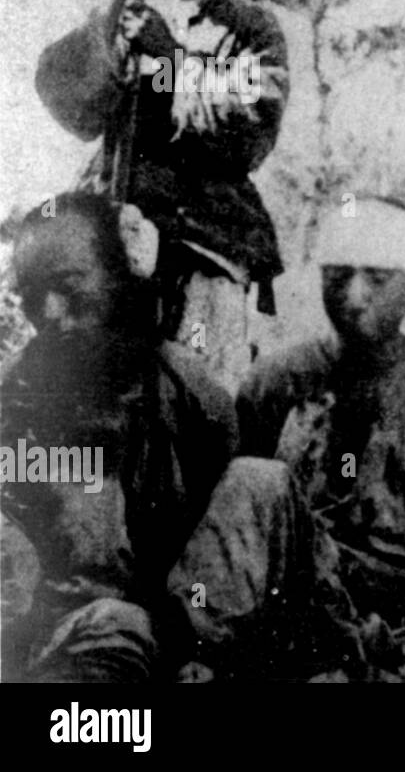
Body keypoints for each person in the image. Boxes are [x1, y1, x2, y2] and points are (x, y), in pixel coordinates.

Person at [174, 198, 405, 679]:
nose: (355, 294)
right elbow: (234, 520)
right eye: (339, 274)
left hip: (379, 623)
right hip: (282, 595)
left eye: (378, 279)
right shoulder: (275, 381)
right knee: (253, 476)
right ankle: (198, 658)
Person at [35, 0, 289, 395]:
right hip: (111, 227)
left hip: (206, 242)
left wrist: (170, 61)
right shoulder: (127, 10)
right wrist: (113, 24)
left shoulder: (253, 27)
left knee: (196, 392)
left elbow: (249, 135)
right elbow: (67, 103)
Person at [0, 192, 236, 682]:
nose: (50, 313)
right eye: (31, 296)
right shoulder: (14, 396)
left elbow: (221, 545)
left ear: (120, 275)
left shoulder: (190, 395)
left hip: (169, 636)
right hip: (55, 638)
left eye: (69, 286)